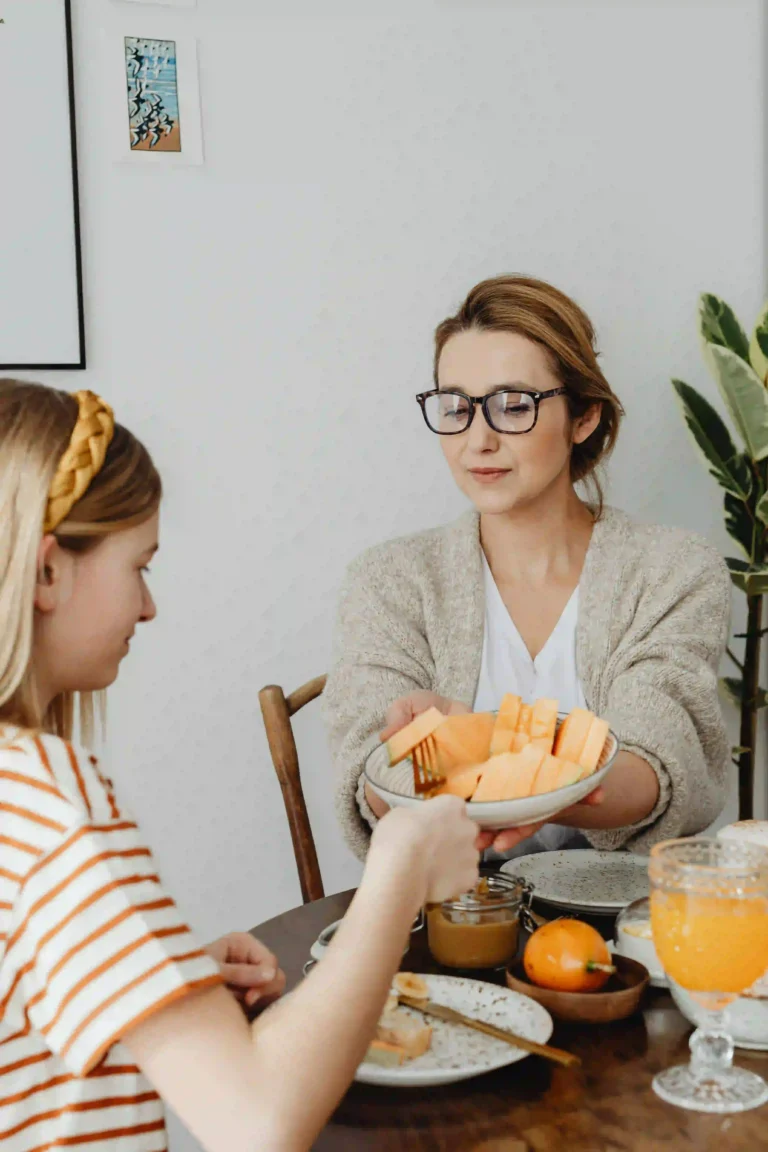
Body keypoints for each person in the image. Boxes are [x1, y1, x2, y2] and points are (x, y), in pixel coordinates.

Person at [0, 380, 481, 1152]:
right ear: (49, 571)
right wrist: (398, 871)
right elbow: (256, 1124)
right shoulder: (46, 793)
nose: (149, 607)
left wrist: (164, 983)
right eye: (139, 566)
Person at [324, 274, 731, 863]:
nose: (477, 440)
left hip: (623, 923)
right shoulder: (388, 580)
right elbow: (370, 790)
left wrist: (480, 760)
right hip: (446, 919)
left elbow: (660, 768)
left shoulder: (672, 570)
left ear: (584, 417)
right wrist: (425, 756)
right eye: (456, 407)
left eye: (513, 406)